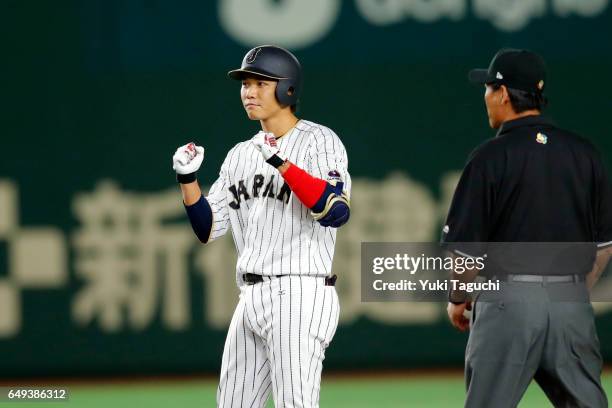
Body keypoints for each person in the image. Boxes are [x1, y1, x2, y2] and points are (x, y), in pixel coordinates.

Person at [172, 45, 351, 408]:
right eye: (245, 84)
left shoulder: (319, 140)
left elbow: (335, 209)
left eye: (260, 83)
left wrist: (282, 163)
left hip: (300, 291)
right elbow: (207, 228)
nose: (249, 92)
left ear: (287, 89)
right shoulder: (241, 153)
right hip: (250, 296)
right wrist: (187, 179)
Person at [442, 48, 612, 407]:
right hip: (572, 304)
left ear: (503, 94)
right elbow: (604, 246)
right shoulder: (584, 153)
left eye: (488, 88)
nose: (485, 97)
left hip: (508, 304)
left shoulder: (490, 156)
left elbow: (464, 253)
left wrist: (458, 299)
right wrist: (572, 293)